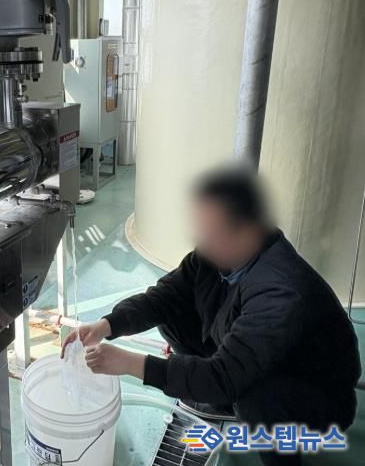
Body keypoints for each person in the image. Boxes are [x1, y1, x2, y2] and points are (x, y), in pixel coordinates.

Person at [61, 165, 361, 465]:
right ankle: (218, 399)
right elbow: (165, 296)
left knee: (255, 397)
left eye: (210, 233)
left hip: (315, 394)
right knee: (172, 314)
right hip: (256, 358)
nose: (200, 242)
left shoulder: (280, 292)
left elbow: (225, 376)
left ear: (247, 231)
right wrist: (107, 325)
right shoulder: (219, 253)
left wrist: (129, 363)